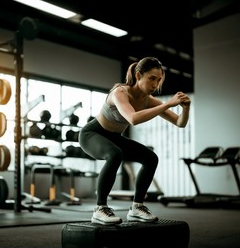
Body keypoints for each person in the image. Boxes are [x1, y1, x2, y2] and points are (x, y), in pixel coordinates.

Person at [78, 57, 191, 225]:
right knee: (114, 154)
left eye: (158, 80)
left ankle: (137, 207)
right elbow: (133, 119)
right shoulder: (120, 92)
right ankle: (100, 208)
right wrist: (167, 104)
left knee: (151, 158)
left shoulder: (148, 100)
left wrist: (186, 108)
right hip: (92, 134)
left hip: (114, 137)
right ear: (138, 76)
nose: (155, 84)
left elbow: (180, 123)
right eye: (151, 78)